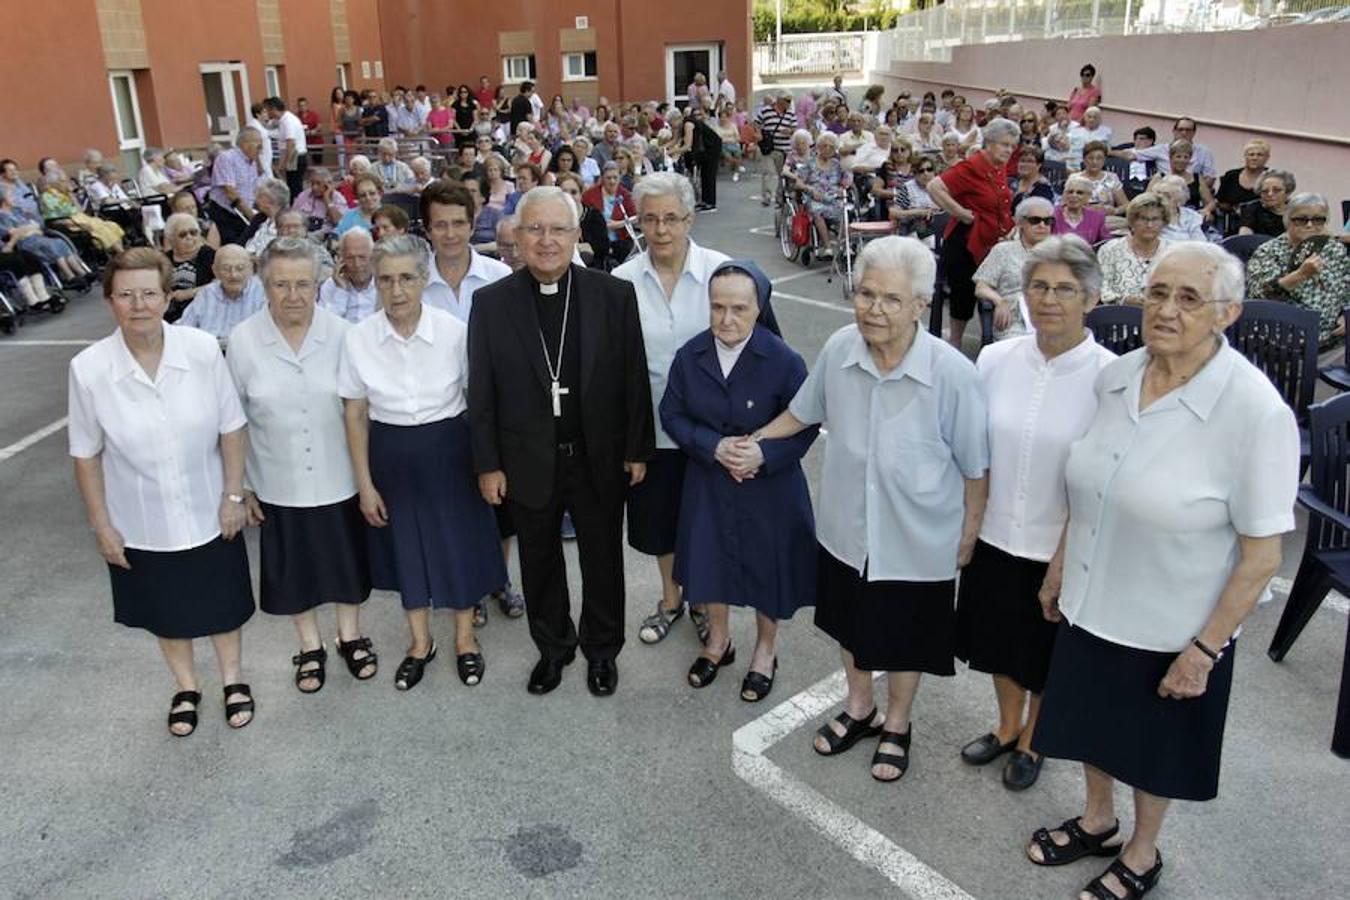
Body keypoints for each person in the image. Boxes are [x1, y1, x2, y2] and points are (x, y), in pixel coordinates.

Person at [1028, 242, 1298, 900]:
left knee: (1153, 752)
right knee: (1090, 726)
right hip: (1092, 598)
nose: (1167, 310)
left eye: (1189, 298)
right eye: (1157, 292)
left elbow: (1262, 555)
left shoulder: (1256, 413)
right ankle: (1098, 820)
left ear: (1227, 313)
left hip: (1171, 627)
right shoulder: (1118, 375)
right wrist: (1060, 566)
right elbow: (1092, 484)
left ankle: (1142, 852)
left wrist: (1204, 651)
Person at [752, 236, 988, 783]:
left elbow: (976, 466)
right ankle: (860, 708)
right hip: (847, 528)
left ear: (919, 305)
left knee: (907, 639)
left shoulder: (952, 373)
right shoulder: (840, 349)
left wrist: (969, 532)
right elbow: (802, 412)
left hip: (917, 538)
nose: (873, 309)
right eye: (865, 294)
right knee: (849, 626)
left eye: (891, 299)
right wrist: (753, 440)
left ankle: (898, 723)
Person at [467, 187, 655, 697]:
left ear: (576, 235)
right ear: (516, 236)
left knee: (602, 558)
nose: (546, 240)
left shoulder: (612, 295)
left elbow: (633, 377)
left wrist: (637, 449)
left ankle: (602, 650)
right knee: (539, 560)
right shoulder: (492, 304)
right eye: (535, 229)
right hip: (525, 459)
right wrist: (488, 464)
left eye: (557, 229)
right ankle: (553, 648)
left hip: (598, 455)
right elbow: (481, 391)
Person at [69, 247, 255, 737]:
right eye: (126, 295)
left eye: (149, 293)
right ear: (109, 301)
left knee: (222, 602)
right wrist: (102, 525)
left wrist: (233, 496)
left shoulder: (200, 350)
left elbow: (232, 427)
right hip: (140, 518)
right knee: (165, 608)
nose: (139, 305)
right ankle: (187, 686)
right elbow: (85, 454)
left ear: (168, 297)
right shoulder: (89, 369)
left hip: (209, 506)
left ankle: (233, 680)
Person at [958, 236, 1115, 792]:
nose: (1049, 299)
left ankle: (1034, 740)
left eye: (1065, 289)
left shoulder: (1112, 378)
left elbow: (1104, 480)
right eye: (1039, 286)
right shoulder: (995, 359)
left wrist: (1064, 559)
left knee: (1046, 655)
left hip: (1060, 545)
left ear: (1091, 299)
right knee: (999, 643)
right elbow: (972, 450)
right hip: (996, 534)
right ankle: (1007, 725)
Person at [339, 234, 505, 691]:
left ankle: (465, 639)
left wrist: (486, 463)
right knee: (405, 549)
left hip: (450, 448)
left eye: (406, 279)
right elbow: (354, 413)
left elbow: (478, 400)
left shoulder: (453, 331)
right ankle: (420, 643)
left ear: (423, 279)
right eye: (385, 280)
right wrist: (365, 485)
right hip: (390, 451)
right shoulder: (358, 338)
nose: (396, 291)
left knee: (458, 546)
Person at [659, 260, 815, 700]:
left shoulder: (784, 360)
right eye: (717, 307)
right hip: (710, 481)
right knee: (712, 564)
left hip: (770, 487)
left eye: (739, 309)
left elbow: (806, 423)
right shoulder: (690, 356)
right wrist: (712, 445)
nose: (727, 319)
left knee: (769, 569)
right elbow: (672, 414)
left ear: (759, 308)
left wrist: (764, 453)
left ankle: (766, 650)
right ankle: (718, 641)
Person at [226, 238, 375, 693]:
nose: (293, 295)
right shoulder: (244, 340)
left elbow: (360, 410)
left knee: (346, 563)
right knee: (294, 569)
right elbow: (233, 418)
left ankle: (350, 635)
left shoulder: (344, 334)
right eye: (281, 285)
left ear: (318, 284)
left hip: (339, 473)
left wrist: (368, 477)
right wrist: (243, 485)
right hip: (277, 477)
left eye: (303, 284)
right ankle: (310, 645)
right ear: (264, 285)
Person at [611, 174, 731, 646]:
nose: (660, 230)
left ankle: (702, 601)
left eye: (671, 218)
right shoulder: (621, 282)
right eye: (650, 219)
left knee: (706, 524)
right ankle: (670, 598)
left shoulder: (722, 273)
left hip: (711, 433)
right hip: (651, 432)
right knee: (661, 524)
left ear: (689, 219)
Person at [928, 117, 1018, 348]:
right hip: (966, 242)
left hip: (993, 241)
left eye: (1012, 145)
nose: (1009, 150)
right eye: (1004, 144)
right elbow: (934, 187)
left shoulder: (998, 167)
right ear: (989, 142)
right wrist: (960, 213)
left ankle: (995, 340)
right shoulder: (971, 167)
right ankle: (955, 342)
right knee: (964, 293)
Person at [1246, 192, 1349, 347]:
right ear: (1287, 220)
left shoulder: (1334, 249)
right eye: (1301, 220)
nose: (1310, 225)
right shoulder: (1268, 252)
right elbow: (1260, 297)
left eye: (1318, 220)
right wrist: (1300, 275)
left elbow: (1347, 288)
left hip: (1334, 340)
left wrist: (1347, 315)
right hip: (1284, 341)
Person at [973, 196, 1056, 338]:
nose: (1042, 225)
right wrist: (999, 301)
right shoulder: (1004, 250)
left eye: (1047, 221)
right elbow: (981, 287)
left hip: (1052, 316)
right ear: (1021, 223)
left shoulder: (1060, 252)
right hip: (1014, 320)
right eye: (1035, 220)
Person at [0, 184, 95, 289]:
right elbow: (13, 233)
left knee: (59, 242)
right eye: (11, 196)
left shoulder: (18, 211)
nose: (14, 198)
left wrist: (28, 229)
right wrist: (29, 229)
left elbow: (37, 224)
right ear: (3, 200)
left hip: (36, 236)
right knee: (51, 245)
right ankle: (70, 276)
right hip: (25, 242)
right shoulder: (2, 217)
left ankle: (82, 273)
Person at [178, 244, 266, 344]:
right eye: (226, 268)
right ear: (215, 271)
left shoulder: (263, 293)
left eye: (240, 268)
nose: (233, 275)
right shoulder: (207, 294)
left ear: (251, 269)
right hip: (211, 351)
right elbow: (183, 329)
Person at [1098, 192, 1171, 306]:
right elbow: (1102, 289)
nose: (1149, 225)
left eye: (1155, 219)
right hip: (1119, 313)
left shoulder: (1173, 252)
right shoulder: (1110, 250)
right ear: (1132, 221)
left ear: (1164, 222)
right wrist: (1125, 300)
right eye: (1143, 219)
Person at [792, 132, 850, 258]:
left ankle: (844, 246)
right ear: (818, 147)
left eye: (831, 147)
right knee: (818, 212)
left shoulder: (837, 164)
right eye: (824, 146)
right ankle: (828, 248)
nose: (828, 149)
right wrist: (810, 189)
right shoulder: (810, 162)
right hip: (815, 197)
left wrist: (843, 187)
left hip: (833, 197)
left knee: (845, 212)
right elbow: (798, 183)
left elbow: (846, 181)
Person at [208, 127, 265, 245]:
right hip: (225, 213)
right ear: (245, 144)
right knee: (233, 247)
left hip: (242, 212)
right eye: (258, 146)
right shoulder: (226, 158)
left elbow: (253, 189)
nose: (261, 150)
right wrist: (251, 216)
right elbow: (230, 192)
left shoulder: (252, 162)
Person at [319, 227, 378, 323]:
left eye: (362, 257)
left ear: (373, 257)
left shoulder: (384, 283)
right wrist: (341, 291)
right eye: (350, 258)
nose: (357, 264)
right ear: (341, 259)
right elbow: (324, 325)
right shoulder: (330, 286)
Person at [163, 212, 215, 321]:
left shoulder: (209, 255)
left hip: (202, 311)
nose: (189, 237)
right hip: (170, 314)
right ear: (171, 240)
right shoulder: (163, 260)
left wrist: (189, 293)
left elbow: (221, 284)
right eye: (182, 234)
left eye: (193, 232)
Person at [1146, 140, 1214, 223]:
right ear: (1170, 158)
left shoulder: (1197, 177)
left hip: (1191, 219)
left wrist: (1206, 210)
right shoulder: (1160, 177)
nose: (1182, 160)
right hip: (1165, 218)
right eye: (1178, 156)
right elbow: (1146, 200)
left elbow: (1210, 202)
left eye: (1186, 157)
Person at [1215, 139, 1270, 235]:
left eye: (1259, 155)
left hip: (1262, 225)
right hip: (1233, 223)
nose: (1254, 158)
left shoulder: (1271, 177)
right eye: (1251, 154)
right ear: (1245, 156)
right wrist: (1233, 208)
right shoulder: (1231, 176)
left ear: (1267, 158)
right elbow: (1220, 201)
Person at [264, 97, 309, 199]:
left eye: (268, 110)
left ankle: (297, 206)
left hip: (295, 157)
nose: (267, 113)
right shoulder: (282, 120)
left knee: (295, 188)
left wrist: (285, 163)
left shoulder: (288, 120)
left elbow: (291, 143)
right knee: (293, 186)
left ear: (274, 109)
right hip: (293, 156)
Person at [756, 93, 796, 207]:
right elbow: (756, 123)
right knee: (768, 172)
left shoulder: (791, 113)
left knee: (782, 174)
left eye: (790, 101)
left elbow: (794, 128)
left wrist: (790, 131)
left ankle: (780, 197)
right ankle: (767, 197)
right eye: (787, 100)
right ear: (779, 100)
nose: (789, 103)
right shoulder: (766, 111)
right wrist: (758, 134)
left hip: (784, 149)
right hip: (768, 148)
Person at [1054, 175, 1113, 245]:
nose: (1074, 195)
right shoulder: (1052, 215)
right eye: (1070, 192)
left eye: (1080, 193)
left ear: (1088, 196)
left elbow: (1107, 243)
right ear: (1064, 194)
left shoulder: (1097, 218)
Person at [242, 178, 291, 257]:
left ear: (268, 201)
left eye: (259, 196)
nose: (256, 200)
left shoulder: (287, 224)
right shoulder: (259, 219)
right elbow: (242, 241)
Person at [1237, 169, 1294, 237]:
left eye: (1276, 190)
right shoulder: (1251, 208)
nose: (1270, 194)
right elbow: (1245, 238)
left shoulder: (1297, 210)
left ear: (1287, 192)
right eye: (1265, 191)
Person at [1080, 141, 1127, 217]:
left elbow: (1125, 205)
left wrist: (1115, 211)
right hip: (1083, 218)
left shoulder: (1112, 178)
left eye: (1099, 158)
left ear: (1104, 160)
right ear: (1084, 160)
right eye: (1091, 158)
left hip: (1107, 218)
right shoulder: (1075, 179)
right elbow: (1065, 205)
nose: (1094, 162)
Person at [1153, 175, 1206, 242]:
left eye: (1167, 196)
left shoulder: (1190, 216)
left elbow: (1200, 241)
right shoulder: (1152, 217)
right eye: (1159, 194)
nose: (1161, 199)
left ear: (1179, 201)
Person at [335, 172, 383, 237]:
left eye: (372, 193)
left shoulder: (390, 215)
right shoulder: (349, 216)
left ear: (380, 193)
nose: (368, 198)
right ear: (357, 197)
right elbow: (336, 236)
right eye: (363, 195)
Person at [1011, 144, 1055, 210]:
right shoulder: (1012, 183)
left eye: (1030, 161)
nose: (1025, 164)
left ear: (1038, 165)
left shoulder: (1044, 188)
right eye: (1022, 161)